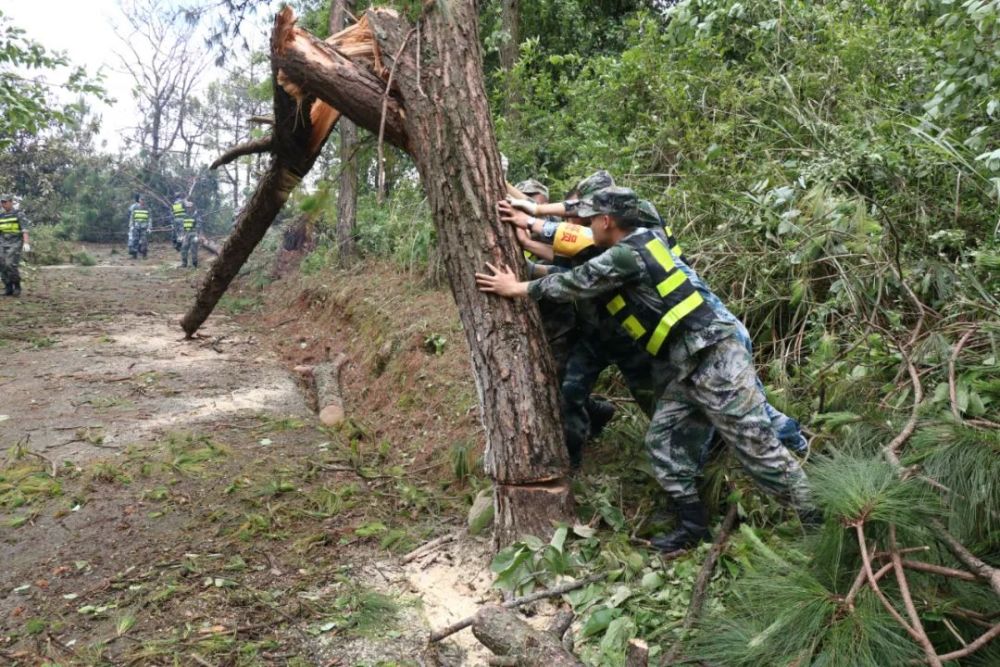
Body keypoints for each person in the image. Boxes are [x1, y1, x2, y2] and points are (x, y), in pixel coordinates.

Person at [479, 187, 816, 552]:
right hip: (688, 364)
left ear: (607, 221)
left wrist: (517, 286)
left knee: (756, 446)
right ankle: (693, 526)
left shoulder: (629, 253)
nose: (587, 224)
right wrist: (529, 249)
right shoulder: (629, 246)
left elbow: (574, 280)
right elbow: (576, 263)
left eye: (592, 218)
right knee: (663, 441)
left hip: (716, 357)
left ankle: (819, 517)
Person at [0, 194, 29, 297]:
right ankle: (8, 287)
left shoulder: (18, 214)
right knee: (2, 264)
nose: (3, 204)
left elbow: (24, 229)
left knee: (10, 264)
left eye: (5, 202)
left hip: (15, 243)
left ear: (11, 202)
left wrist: (26, 243)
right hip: (2, 243)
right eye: (2, 202)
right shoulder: (1, 216)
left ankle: (17, 286)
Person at [127, 194, 151, 259]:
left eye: (144, 200)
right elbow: (132, 217)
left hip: (144, 227)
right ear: (139, 200)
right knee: (135, 240)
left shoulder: (147, 208)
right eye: (141, 200)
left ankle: (144, 255)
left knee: (144, 241)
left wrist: (149, 227)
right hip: (136, 227)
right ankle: (134, 255)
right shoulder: (135, 207)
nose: (142, 201)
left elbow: (149, 218)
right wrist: (131, 225)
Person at [179, 203, 201, 268]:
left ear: (192, 207)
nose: (188, 208)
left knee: (193, 249)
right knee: (183, 248)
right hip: (186, 234)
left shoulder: (196, 215)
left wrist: (197, 235)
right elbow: (182, 226)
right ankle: (184, 264)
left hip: (193, 234)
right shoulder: (184, 216)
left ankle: (194, 264)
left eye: (190, 207)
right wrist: (181, 235)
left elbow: (198, 225)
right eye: (187, 207)